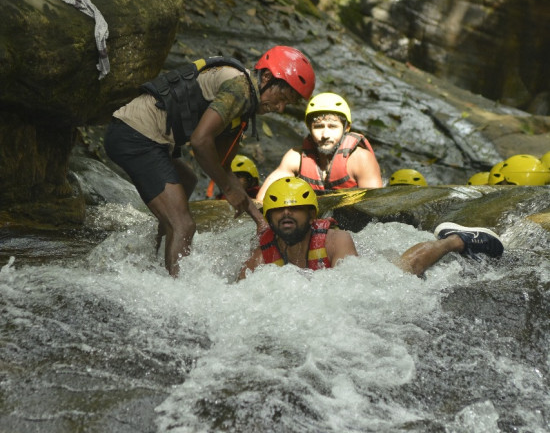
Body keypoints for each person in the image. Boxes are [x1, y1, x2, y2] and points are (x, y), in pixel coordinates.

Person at [104, 46, 316, 276]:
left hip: (148, 138)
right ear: (266, 77)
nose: (280, 108)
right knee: (184, 225)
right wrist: (227, 188)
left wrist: (259, 220)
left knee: (187, 180)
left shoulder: (244, 105)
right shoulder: (240, 88)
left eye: (287, 105)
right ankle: (174, 293)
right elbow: (200, 141)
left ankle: (149, 263)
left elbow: (224, 165)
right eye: (281, 98)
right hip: (135, 134)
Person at [239, 177, 504, 279]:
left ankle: (455, 239)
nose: (286, 214)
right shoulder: (262, 256)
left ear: (311, 214)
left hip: (369, 270)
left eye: (294, 208)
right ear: (270, 219)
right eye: (279, 211)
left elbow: (355, 284)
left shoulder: (335, 240)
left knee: (405, 271)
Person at [255, 92, 382, 201]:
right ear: (309, 128)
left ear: (346, 128)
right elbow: (262, 200)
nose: (325, 134)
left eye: (332, 126)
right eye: (318, 127)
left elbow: (375, 207)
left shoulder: (361, 159)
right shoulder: (295, 158)